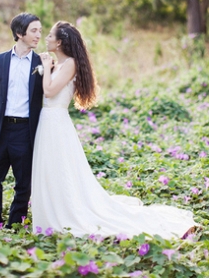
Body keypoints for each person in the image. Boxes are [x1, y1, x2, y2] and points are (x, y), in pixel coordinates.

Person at [31, 21, 195, 239]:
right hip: (47, 122)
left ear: (59, 42)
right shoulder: (58, 65)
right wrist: (49, 68)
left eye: (50, 36)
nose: (47, 39)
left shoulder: (69, 63)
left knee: (60, 169)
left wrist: (45, 67)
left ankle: (64, 213)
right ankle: (51, 210)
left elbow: (50, 91)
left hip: (56, 121)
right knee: (51, 170)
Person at [0, 13, 44, 228]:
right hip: (0, 128)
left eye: (40, 31)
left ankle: (15, 224)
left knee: (23, 183)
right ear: (19, 33)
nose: (38, 35)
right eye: (34, 30)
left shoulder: (42, 63)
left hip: (25, 130)